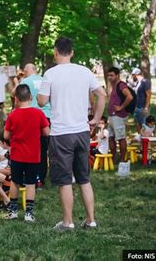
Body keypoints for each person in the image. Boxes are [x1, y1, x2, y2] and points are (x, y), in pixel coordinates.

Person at [37, 37, 106, 231]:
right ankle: (91, 220)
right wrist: (96, 118)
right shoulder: (84, 72)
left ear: (55, 52)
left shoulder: (50, 74)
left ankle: (68, 223)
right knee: (84, 178)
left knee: (65, 180)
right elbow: (102, 94)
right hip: (82, 131)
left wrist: (40, 95)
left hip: (60, 134)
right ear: (72, 52)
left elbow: (41, 101)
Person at [4, 84, 50, 222]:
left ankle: (13, 211)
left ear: (16, 99)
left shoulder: (12, 115)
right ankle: (29, 213)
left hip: (17, 154)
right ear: (30, 97)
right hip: (33, 155)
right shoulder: (39, 113)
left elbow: (6, 135)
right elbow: (46, 132)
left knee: (15, 181)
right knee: (31, 183)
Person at [20, 63, 52, 188]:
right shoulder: (44, 80)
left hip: (32, 116)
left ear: (28, 70)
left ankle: (33, 176)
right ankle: (42, 177)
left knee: (32, 147)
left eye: (25, 70)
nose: (24, 72)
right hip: (47, 115)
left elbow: (14, 93)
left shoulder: (25, 81)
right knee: (44, 148)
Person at [107, 67, 133, 163]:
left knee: (121, 138)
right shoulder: (114, 85)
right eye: (108, 75)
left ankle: (122, 159)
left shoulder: (121, 85)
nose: (110, 77)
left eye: (112, 75)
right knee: (110, 137)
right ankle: (113, 158)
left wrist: (121, 107)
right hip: (111, 116)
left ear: (117, 75)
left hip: (118, 116)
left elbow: (129, 97)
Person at [131, 68, 151, 133]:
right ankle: (140, 139)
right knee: (137, 124)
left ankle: (146, 141)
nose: (132, 77)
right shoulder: (137, 83)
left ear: (136, 74)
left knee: (145, 125)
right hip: (136, 107)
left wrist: (146, 107)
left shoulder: (145, 81)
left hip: (142, 107)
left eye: (133, 75)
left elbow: (148, 95)